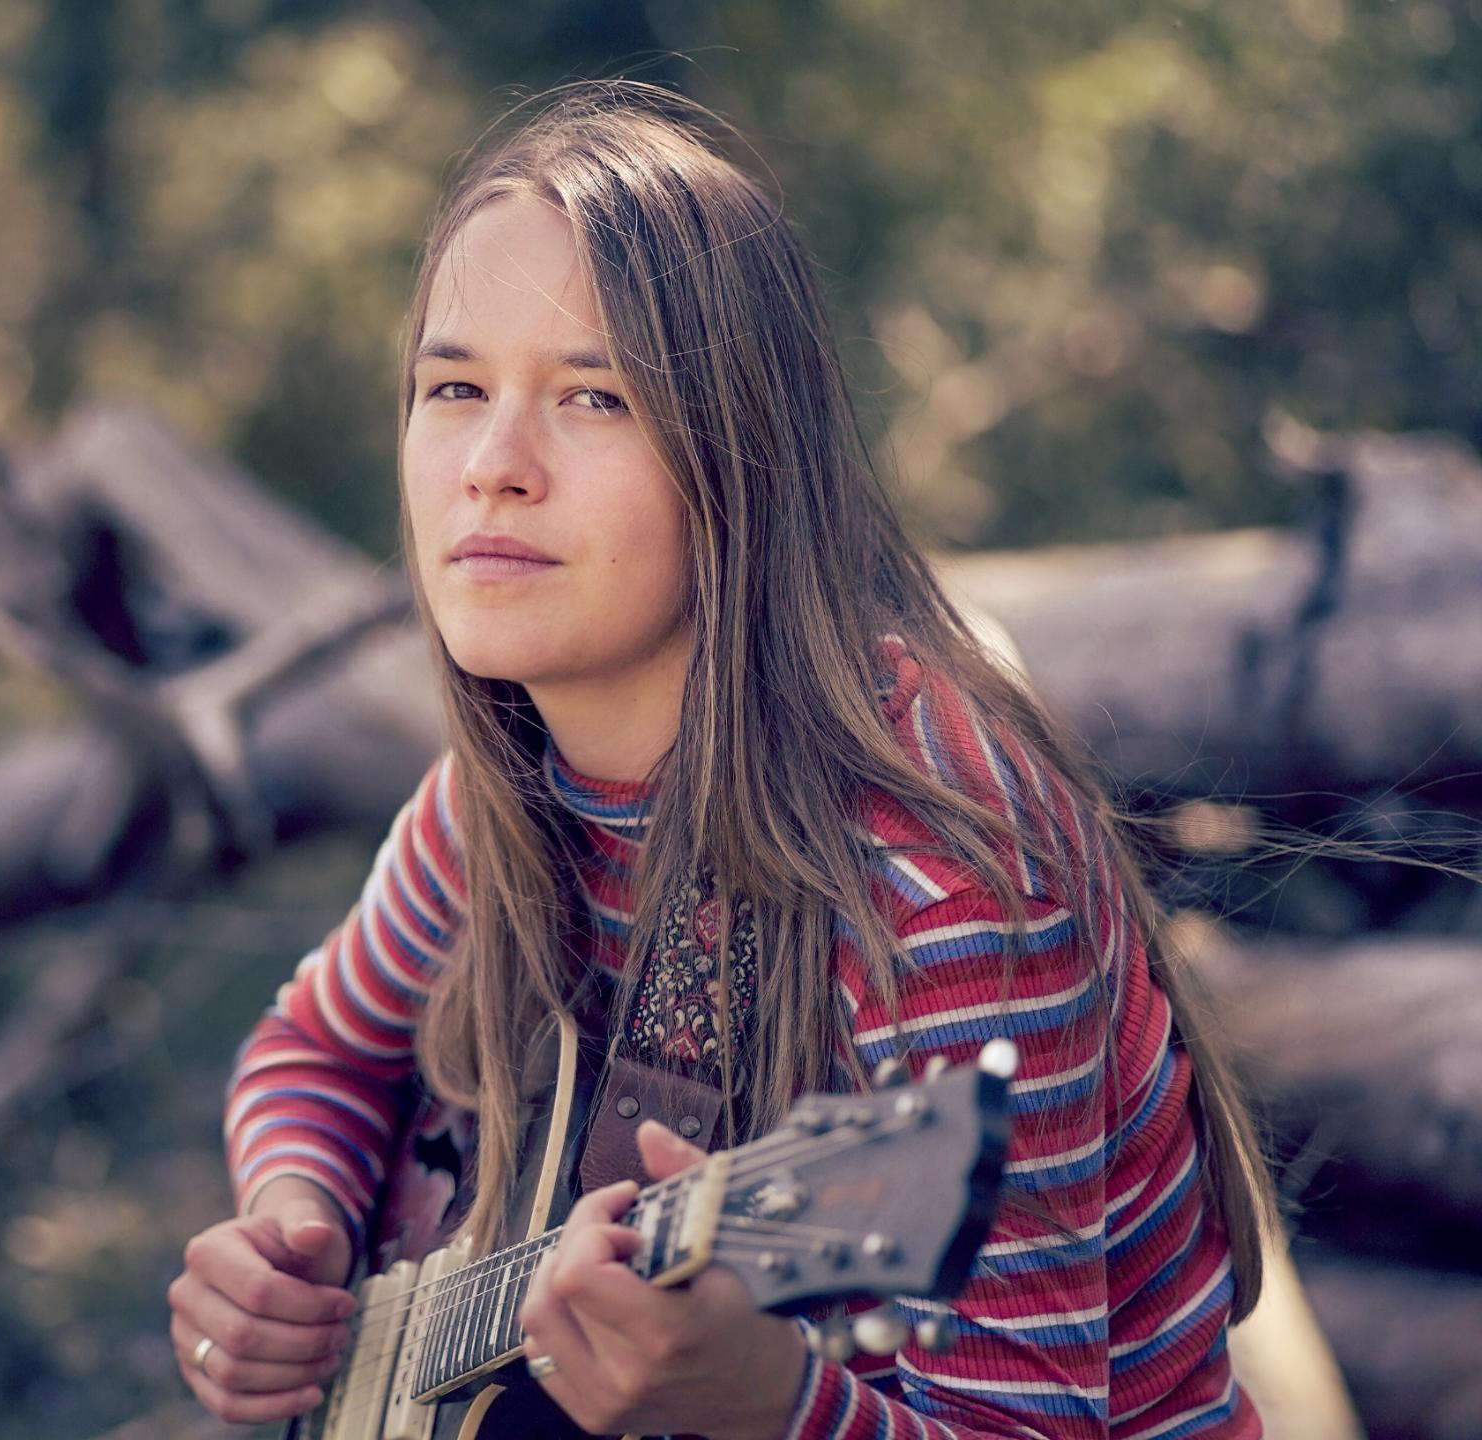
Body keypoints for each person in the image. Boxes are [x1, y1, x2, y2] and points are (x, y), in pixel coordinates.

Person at [166, 82, 1274, 1439]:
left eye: (595, 397)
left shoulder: (938, 892)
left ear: (741, 457)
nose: (493, 465)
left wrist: (771, 1400)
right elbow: (318, 1046)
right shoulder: (501, 796)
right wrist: (293, 1237)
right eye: (454, 387)